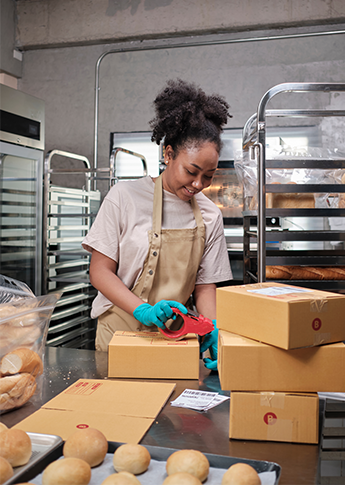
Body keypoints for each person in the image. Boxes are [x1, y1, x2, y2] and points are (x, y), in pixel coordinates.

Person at [82, 79, 233, 369]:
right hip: (120, 331)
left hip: (177, 336)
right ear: (168, 154)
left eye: (209, 176)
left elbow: (204, 286)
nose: (198, 184)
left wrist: (213, 326)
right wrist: (143, 311)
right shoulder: (123, 197)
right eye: (192, 171)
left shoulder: (210, 215)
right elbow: (99, 272)